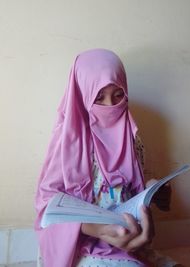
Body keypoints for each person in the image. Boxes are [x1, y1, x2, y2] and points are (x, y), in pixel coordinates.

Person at [34, 49, 179, 267]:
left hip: (129, 237)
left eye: (118, 95)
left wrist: (153, 189)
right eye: (98, 98)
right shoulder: (67, 142)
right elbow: (47, 206)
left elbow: (135, 184)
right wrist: (98, 229)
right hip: (83, 244)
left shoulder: (131, 135)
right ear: (83, 96)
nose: (111, 106)